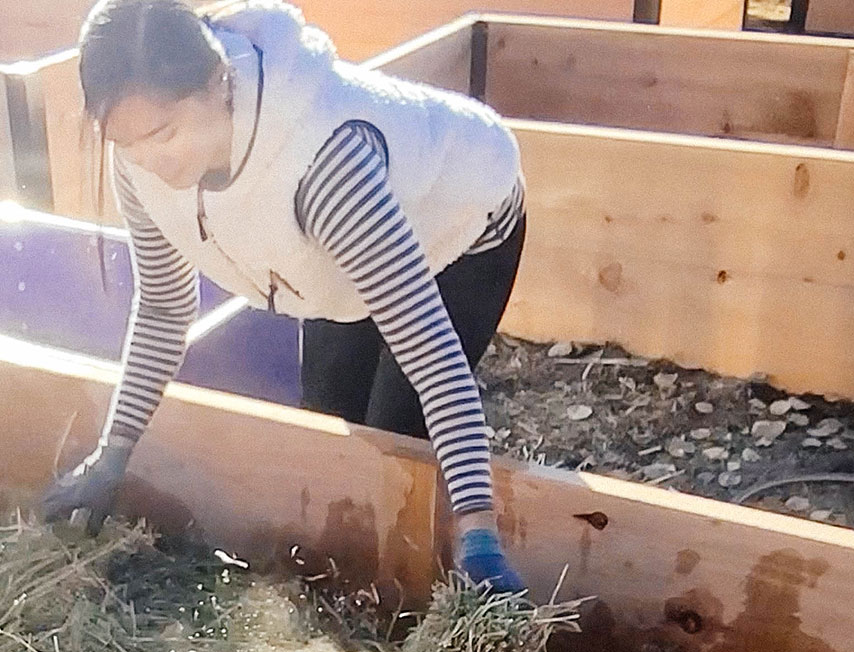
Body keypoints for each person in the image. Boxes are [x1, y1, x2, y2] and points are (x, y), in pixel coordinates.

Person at [40, 0, 526, 592]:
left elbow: (432, 356)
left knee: (395, 436)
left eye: (162, 135)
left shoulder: (325, 167)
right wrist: (112, 451)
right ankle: (345, 588)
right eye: (126, 143)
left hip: (460, 226)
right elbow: (166, 307)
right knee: (329, 419)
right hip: (331, 257)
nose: (148, 161)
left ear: (218, 83)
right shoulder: (139, 165)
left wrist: (480, 532)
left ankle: (410, 596)